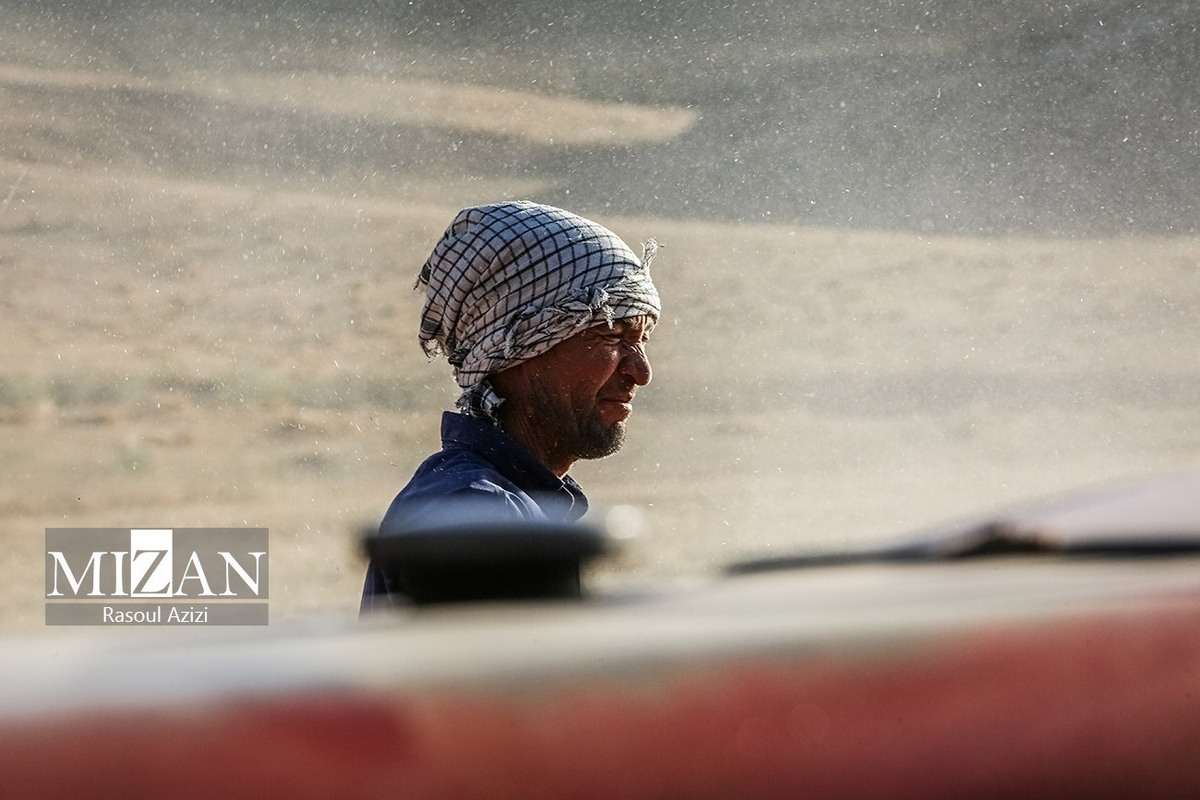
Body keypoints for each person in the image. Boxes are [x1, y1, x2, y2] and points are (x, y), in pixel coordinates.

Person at [361, 201, 660, 607]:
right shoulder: (478, 512)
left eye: (641, 340)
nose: (641, 373)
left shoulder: (499, 501)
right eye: (610, 336)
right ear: (516, 348)